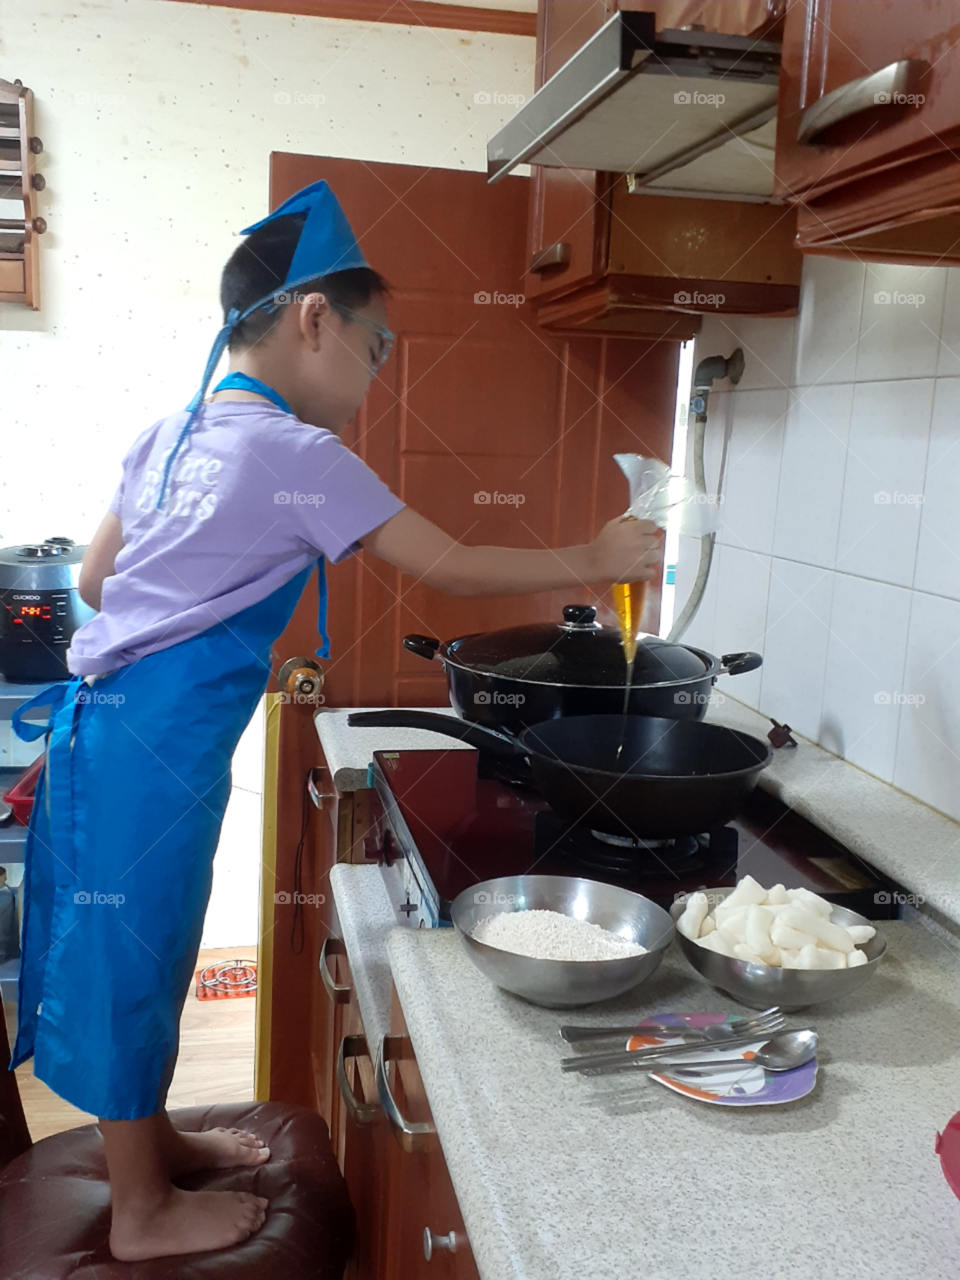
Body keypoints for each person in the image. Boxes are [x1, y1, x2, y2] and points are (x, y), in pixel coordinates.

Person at [9, 181, 659, 1262]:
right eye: (378, 344)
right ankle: (139, 1209)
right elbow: (448, 566)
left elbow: (93, 572)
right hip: (159, 746)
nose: (376, 372)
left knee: (143, 944)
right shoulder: (298, 457)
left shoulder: (168, 431)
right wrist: (592, 559)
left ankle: (154, 1140)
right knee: (135, 957)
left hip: (106, 734)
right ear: (315, 318)